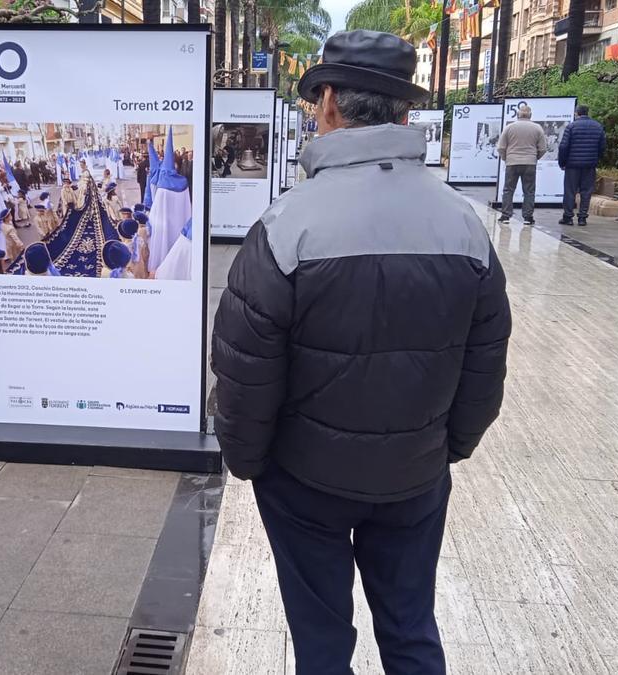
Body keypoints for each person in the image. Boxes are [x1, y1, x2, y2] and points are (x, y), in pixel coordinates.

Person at [211, 29, 511, 675]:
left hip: (303, 477)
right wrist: (445, 447)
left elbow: (244, 368)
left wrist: (250, 461)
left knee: (321, 640)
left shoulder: (286, 224)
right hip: (415, 474)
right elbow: (487, 360)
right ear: (406, 114)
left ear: (325, 106)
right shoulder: (463, 222)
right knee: (410, 627)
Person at [496, 103, 547, 225]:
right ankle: (528, 217)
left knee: (508, 190)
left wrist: (506, 158)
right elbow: (543, 148)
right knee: (529, 191)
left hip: (512, 162)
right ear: (530, 115)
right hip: (529, 163)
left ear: (518, 114)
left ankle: (505, 215)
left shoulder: (510, 127)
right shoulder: (537, 128)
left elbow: (501, 147)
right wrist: (535, 158)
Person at [558, 105, 607, 226]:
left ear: (577, 113)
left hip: (572, 165)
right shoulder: (598, 126)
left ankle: (568, 217)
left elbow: (563, 146)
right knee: (586, 192)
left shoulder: (571, 126)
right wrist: (596, 159)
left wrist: (562, 162)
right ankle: (582, 218)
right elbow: (602, 147)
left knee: (570, 191)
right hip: (589, 165)